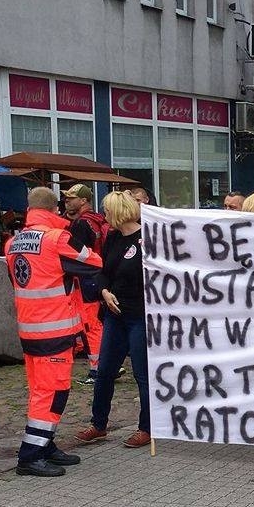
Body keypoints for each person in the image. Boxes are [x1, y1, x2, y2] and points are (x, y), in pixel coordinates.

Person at [6, 186, 102, 477]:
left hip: (29, 328)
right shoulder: (56, 238)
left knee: (40, 390)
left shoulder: (13, 242)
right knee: (52, 392)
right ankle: (31, 453)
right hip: (54, 330)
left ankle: (45, 445)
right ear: (54, 209)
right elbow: (92, 262)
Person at [74, 191, 151, 450]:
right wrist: (104, 291)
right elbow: (104, 271)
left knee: (142, 374)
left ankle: (146, 427)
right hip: (115, 315)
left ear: (117, 212)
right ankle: (99, 423)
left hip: (140, 316)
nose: (104, 216)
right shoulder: (114, 237)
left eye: (107, 211)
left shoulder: (147, 239)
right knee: (105, 370)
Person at [64, 184, 109, 384]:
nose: (66, 201)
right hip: (100, 276)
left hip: (86, 279)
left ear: (83, 201)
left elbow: (76, 256)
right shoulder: (98, 220)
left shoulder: (81, 224)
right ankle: (104, 365)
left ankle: (97, 369)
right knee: (98, 323)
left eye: (71, 198)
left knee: (91, 325)